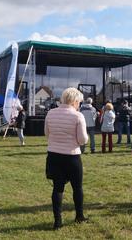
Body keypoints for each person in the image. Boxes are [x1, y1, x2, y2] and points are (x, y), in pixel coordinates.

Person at [44, 87, 88, 229]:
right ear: (75, 101)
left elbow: (47, 134)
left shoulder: (50, 113)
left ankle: (57, 221)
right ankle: (79, 216)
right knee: (77, 188)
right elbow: (82, 140)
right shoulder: (77, 116)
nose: (79, 105)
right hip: (72, 156)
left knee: (57, 188)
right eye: (79, 102)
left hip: (54, 155)